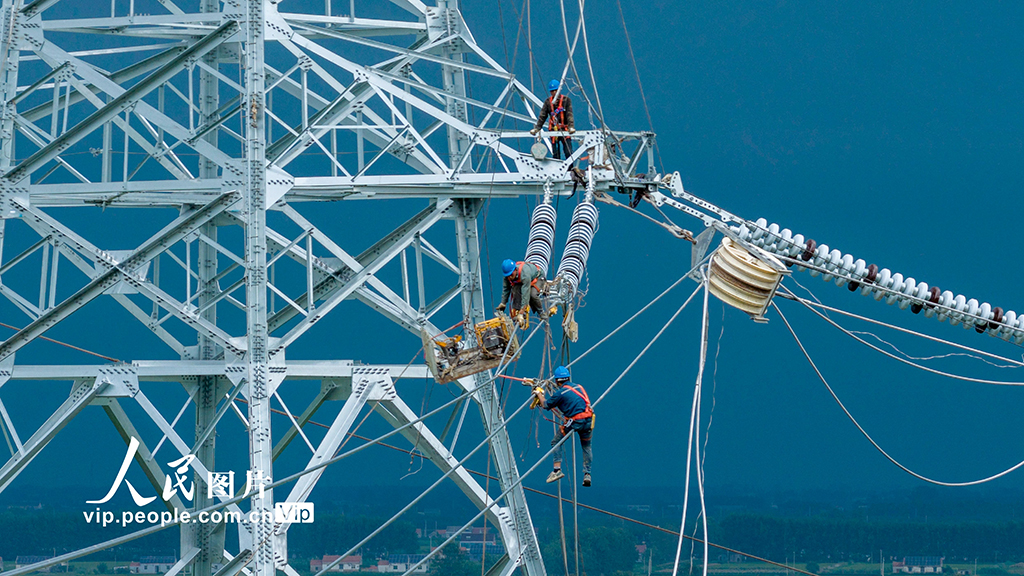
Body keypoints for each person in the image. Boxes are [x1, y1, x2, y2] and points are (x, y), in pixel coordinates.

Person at [533, 365, 593, 487]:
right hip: (588, 419)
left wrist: (538, 393)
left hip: (576, 421)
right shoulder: (579, 387)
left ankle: (557, 470)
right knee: (586, 446)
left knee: (555, 442)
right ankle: (587, 473)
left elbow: (545, 404)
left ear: (556, 380)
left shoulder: (560, 394)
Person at [529, 79, 575, 160]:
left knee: (568, 152)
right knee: (556, 153)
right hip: (554, 130)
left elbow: (569, 114)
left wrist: (571, 127)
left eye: (555, 91)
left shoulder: (566, 100)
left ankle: (570, 168)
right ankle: (557, 168)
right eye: (552, 91)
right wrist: (537, 129)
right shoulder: (548, 102)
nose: (554, 93)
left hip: (565, 129)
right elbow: (542, 116)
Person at [497, 259, 546, 324]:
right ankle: (517, 311)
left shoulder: (525, 274)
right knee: (515, 290)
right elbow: (506, 289)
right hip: (524, 281)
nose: (510, 278)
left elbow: (525, 293)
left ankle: (541, 312)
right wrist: (503, 303)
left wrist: (522, 311)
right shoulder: (507, 276)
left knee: (532, 294)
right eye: (508, 276)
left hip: (538, 278)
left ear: (515, 270)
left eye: (511, 275)